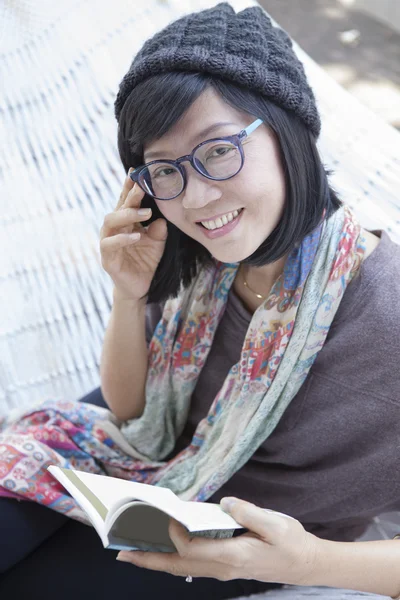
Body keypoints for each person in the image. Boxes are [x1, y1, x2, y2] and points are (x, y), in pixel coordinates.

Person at [0, 3, 399, 599]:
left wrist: (305, 564)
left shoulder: (386, 319)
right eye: (165, 170)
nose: (197, 198)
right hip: (141, 462)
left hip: (236, 534)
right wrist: (129, 296)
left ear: (288, 130)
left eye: (218, 150)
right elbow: (131, 410)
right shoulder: (202, 261)